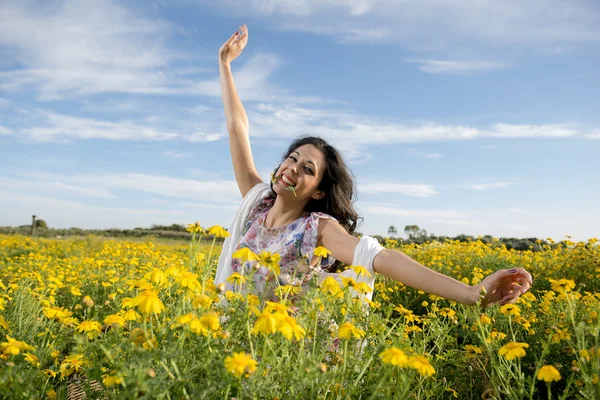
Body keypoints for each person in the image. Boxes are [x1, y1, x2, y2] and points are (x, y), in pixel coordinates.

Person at [215, 24, 532, 307]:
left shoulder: (316, 228)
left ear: (317, 192)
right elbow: (237, 129)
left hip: (276, 351)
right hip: (231, 337)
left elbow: (381, 258)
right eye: (293, 158)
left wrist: (470, 292)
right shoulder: (256, 204)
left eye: (308, 169)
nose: (293, 168)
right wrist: (225, 65)